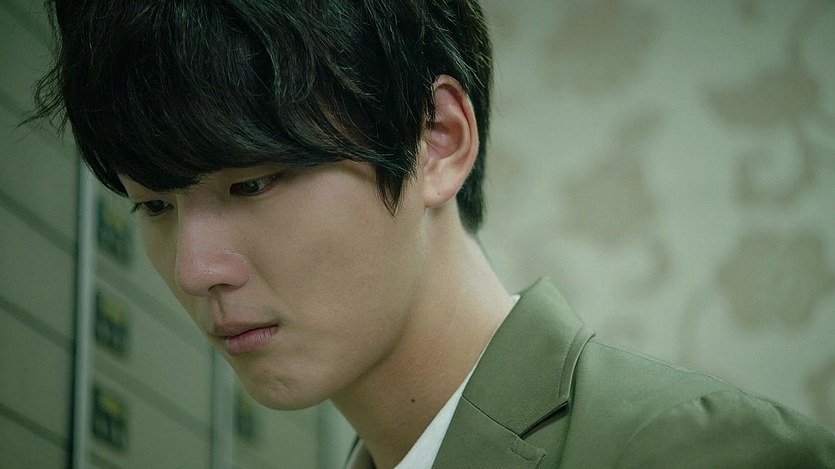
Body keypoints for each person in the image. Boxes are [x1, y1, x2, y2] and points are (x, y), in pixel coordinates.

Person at [30, 1, 835, 467]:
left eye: (250, 183)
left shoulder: (696, 452)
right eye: (155, 207)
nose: (195, 268)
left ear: (437, 140)